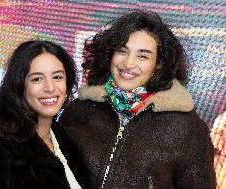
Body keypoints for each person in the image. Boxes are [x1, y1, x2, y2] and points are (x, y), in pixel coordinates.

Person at [59, 9, 216, 188]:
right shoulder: (78, 111)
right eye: (122, 51)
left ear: (159, 63)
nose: (128, 63)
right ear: (110, 54)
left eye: (142, 56)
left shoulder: (187, 128)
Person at [0, 40, 88, 189]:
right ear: (19, 86)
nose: (50, 88)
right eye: (37, 79)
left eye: (57, 77)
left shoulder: (62, 139)